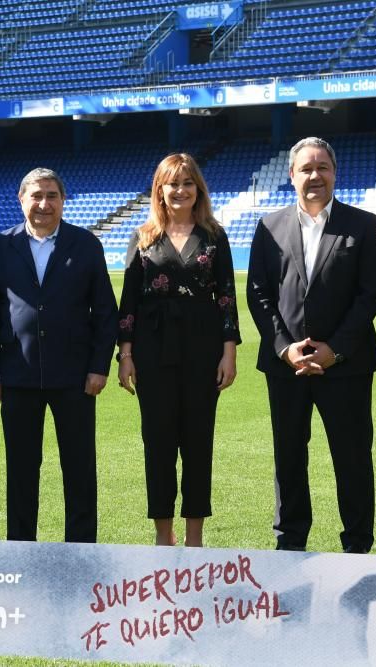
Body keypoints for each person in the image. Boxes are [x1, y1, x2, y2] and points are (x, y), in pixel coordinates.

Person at [247, 136, 376, 553]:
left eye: (322, 167)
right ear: (291, 175)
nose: (314, 176)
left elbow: (370, 293)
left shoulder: (363, 224)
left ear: (335, 173)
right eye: (306, 168)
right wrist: (284, 348)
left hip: (346, 365)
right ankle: (289, 544)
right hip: (285, 367)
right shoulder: (269, 227)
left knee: (353, 459)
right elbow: (258, 293)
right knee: (288, 458)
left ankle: (358, 546)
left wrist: (335, 348)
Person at [0, 167, 117, 543]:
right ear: (21, 200)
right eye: (35, 195)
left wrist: (99, 366)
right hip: (17, 376)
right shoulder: (2, 246)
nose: (43, 203)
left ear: (63, 201)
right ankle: (21, 552)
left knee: (80, 471)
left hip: (75, 378)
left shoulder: (85, 245)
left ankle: (82, 552)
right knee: (21, 472)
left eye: (51, 195)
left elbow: (105, 312)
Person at [117, 153, 240, 548]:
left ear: (198, 189)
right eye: (173, 183)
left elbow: (226, 299)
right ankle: (162, 536)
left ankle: (195, 539)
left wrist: (228, 353)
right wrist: (126, 355)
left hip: (203, 351)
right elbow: (129, 302)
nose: (180, 190)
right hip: (153, 353)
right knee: (158, 444)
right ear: (160, 189)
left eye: (188, 183)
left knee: (198, 443)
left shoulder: (215, 236)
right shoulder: (142, 237)